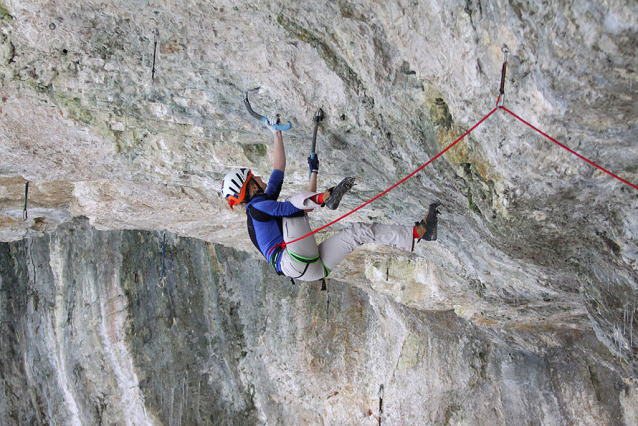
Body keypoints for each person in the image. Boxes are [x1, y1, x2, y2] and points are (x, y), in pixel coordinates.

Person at [221, 115, 439, 282]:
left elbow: (279, 170)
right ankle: (327, 197)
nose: (259, 176)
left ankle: (418, 233)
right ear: (248, 186)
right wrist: (323, 198)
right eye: (253, 177)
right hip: (293, 259)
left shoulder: (262, 204)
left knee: (359, 232)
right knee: (289, 205)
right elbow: (288, 210)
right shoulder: (257, 209)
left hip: (310, 270)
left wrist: (277, 134)